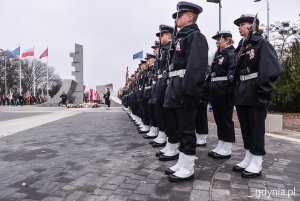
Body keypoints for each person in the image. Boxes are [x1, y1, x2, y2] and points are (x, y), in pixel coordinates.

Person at [163, 1, 208, 182]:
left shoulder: (195, 37)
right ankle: (182, 161)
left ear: (190, 17)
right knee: (178, 127)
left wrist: (189, 91)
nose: (177, 19)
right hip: (175, 86)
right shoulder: (181, 38)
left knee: (187, 128)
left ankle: (188, 167)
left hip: (184, 88)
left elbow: (196, 67)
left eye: (180, 15)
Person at [231, 14, 280, 178]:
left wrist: (263, 93)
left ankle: (257, 161)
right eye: (239, 25)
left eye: (242, 24)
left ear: (253, 26)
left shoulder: (261, 43)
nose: (239, 27)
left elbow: (270, 69)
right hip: (243, 89)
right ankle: (249, 156)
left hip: (255, 90)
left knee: (256, 126)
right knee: (245, 126)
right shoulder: (242, 46)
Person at [207, 30, 236, 159]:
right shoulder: (218, 54)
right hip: (216, 90)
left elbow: (232, 72)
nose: (217, 42)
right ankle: (221, 143)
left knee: (226, 119)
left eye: (219, 39)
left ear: (227, 40)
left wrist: (229, 91)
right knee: (219, 119)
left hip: (225, 90)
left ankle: (227, 147)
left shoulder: (231, 53)